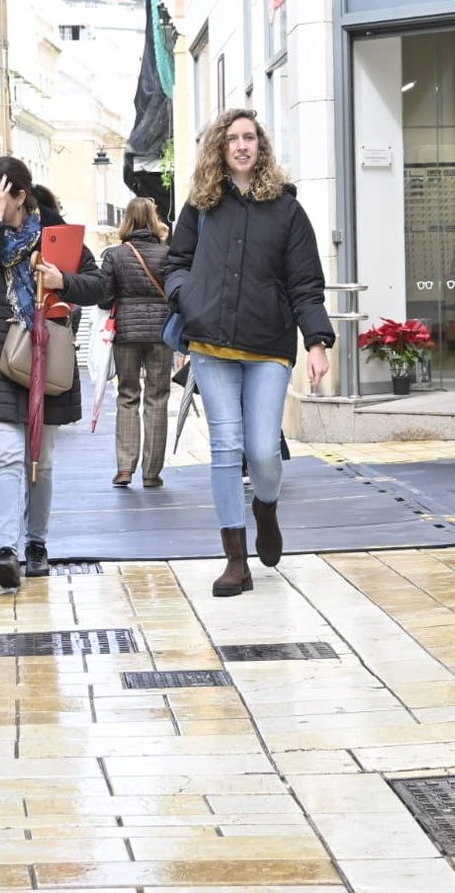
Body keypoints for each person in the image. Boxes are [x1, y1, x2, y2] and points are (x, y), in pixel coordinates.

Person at [163, 109, 332, 597]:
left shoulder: (287, 209)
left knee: (261, 451)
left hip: (267, 347)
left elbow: (305, 283)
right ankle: (235, 561)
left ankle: (267, 505)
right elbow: (176, 263)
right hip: (211, 343)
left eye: (250, 138)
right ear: (220, 147)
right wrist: (187, 296)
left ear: (261, 146)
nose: (242, 145)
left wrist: (316, 341)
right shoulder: (200, 205)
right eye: (233, 138)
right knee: (224, 447)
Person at [0, 156, 106, 590]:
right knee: (6, 455)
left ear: (20, 196)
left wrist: (63, 279)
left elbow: (100, 286)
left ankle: (36, 543)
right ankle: (6, 549)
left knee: (38, 460)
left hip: (46, 357)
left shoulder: (59, 236)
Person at [99, 196, 174, 488]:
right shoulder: (166, 254)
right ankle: (152, 472)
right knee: (157, 397)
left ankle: (125, 467)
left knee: (127, 395)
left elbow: (105, 298)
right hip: (160, 333)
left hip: (127, 333)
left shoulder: (115, 255)